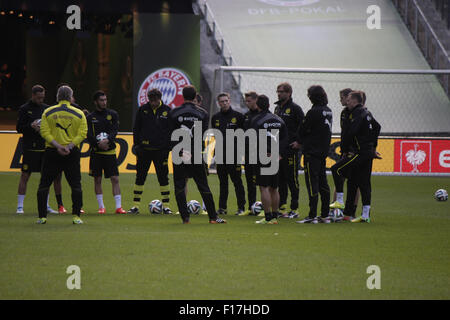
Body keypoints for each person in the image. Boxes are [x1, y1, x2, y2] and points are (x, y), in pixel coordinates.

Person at [168, 85, 226, 224]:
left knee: (180, 186)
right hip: (195, 154)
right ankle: (213, 217)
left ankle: (185, 218)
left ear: (182, 95)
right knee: (203, 185)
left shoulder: (174, 112)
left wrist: (180, 151)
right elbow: (201, 136)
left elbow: (169, 135)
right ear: (195, 97)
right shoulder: (202, 113)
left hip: (179, 154)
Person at [36, 85, 87, 224]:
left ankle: (42, 217)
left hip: (52, 151)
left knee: (44, 184)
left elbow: (44, 132)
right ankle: (76, 216)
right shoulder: (79, 113)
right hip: (71, 152)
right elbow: (82, 133)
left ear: (57, 96)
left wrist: (58, 146)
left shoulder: (48, 112)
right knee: (76, 185)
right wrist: (69, 146)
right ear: (70, 97)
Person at [128, 88, 173, 214]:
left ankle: (166, 207)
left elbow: (171, 130)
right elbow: (136, 128)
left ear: (160, 98)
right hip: (144, 150)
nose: (153, 103)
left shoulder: (167, 111)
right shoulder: (143, 110)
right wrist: (136, 145)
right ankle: (135, 206)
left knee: (163, 178)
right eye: (151, 101)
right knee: (140, 177)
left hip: (161, 151)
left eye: (155, 100)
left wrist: (168, 147)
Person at [15, 85, 59, 215]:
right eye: (39, 97)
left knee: (46, 177)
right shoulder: (24, 109)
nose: (41, 100)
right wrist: (31, 126)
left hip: (45, 148)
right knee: (25, 176)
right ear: (33, 95)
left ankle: (46, 205)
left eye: (42, 97)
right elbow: (19, 128)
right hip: (30, 149)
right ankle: (19, 206)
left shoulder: (46, 109)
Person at [341, 91, 381, 223]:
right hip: (365, 152)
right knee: (355, 182)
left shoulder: (358, 113)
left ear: (355, 101)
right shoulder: (366, 113)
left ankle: (363, 215)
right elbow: (377, 127)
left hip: (359, 153)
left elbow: (351, 133)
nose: (347, 102)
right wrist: (373, 147)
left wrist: (345, 149)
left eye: (349, 100)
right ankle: (351, 213)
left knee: (359, 182)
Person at [296, 85, 332, 224]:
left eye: (309, 94)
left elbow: (303, 129)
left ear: (313, 96)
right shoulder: (328, 111)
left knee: (312, 184)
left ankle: (312, 215)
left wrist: (300, 141)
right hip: (323, 152)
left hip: (312, 152)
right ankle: (324, 215)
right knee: (323, 183)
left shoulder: (313, 112)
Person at [86, 90, 127, 214]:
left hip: (110, 153)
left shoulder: (112, 114)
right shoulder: (90, 117)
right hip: (96, 153)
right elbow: (88, 134)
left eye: (105, 100)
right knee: (97, 179)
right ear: (95, 102)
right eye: (101, 100)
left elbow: (115, 130)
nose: (104, 102)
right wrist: (98, 143)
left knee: (115, 178)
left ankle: (118, 207)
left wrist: (107, 140)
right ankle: (101, 207)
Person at [252, 95, 288, 225]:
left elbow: (254, 139)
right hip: (276, 157)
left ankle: (267, 217)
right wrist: (279, 153)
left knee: (264, 187)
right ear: (268, 105)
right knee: (274, 188)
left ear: (258, 105)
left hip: (264, 156)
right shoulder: (279, 120)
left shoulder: (257, 120)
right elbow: (285, 139)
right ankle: (274, 216)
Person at [211, 92, 246, 215]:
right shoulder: (215, 118)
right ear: (218, 103)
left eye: (226, 101)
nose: (224, 103)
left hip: (235, 154)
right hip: (220, 155)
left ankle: (241, 208)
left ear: (229, 101)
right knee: (223, 183)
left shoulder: (239, 116)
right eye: (222, 101)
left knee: (237, 182)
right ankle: (222, 208)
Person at [274, 82, 304, 219]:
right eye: (278, 91)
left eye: (282, 91)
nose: (279, 94)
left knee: (292, 179)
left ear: (289, 93)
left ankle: (295, 208)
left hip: (291, 150)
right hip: (279, 150)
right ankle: (282, 208)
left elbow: (303, 127)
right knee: (280, 179)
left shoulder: (295, 109)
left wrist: (299, 142)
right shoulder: (277, 109)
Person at [329, 88, 360, 220]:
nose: (341, 100)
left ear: (348, 98)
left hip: (354, 152)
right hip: (345, 151)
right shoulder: (344, 113)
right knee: (340, 178)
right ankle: (337, 209)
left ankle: (350, 211)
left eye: (342, 98)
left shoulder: (359, 113)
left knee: (354, 182)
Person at [238, 91, 260, 216]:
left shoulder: (262, 115)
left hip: (260, 153)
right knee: (250, 182)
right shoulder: (246, 116)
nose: (247, 103)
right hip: (248, 154)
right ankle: (251, 207)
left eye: (249, 101)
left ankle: (266, 207)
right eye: (246, 101)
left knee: (263, 182)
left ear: (256, 100)